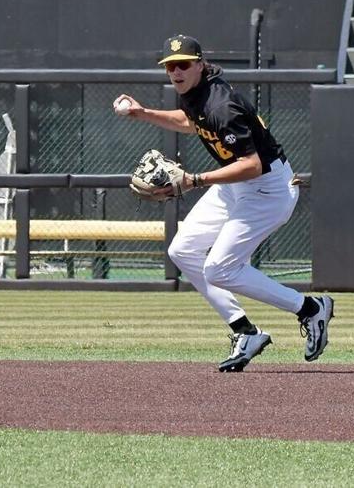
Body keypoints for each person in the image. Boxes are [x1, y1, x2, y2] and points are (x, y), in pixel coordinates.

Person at [113, 34, 334, 372]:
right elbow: (190, 123)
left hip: (266, 189)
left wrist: (195, 180)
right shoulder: (194, 92)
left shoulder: (221, 105)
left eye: (184, 64)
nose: (176, 71)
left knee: (219, 268)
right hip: (236, 186)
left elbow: (252, 165)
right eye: (170, 66)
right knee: (182, 250)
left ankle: (309, 309)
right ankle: (245, 331)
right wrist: (143, 113)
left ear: (200, 64)